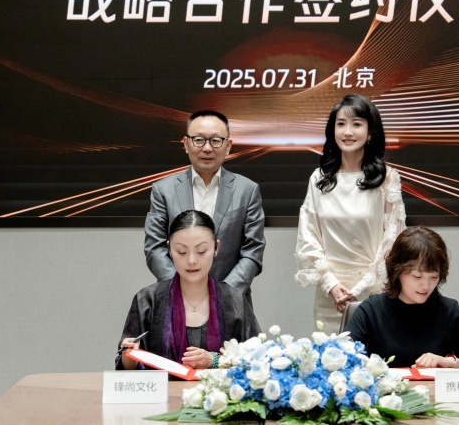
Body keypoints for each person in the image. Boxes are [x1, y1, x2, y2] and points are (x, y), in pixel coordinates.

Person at [295, 94, 406, 333]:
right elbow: (308, 235)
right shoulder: (319, 179)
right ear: (332, 130)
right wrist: (331, 284)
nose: (348, 132)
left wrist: (361, 288)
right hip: (330, 295)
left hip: (373, 291)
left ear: (370, 132)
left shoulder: (386, 178)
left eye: (356, 124)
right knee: (328, 354)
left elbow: (393, 239)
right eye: (341, 124)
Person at [117, 210, 261, 370]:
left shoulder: (234, 300)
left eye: (201, 251)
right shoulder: (148, 299)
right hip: (163, 387)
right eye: (182, 252)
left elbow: (258, 360)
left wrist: (215, 360)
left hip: (217, 388)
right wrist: (129, 355)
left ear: (216, 248)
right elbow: (127, 369)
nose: (191, 260)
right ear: (169, 249)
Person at [144, 110, 265, 300]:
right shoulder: (163, 190)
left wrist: (224, 294)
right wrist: (181, 290)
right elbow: (155, 248)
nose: (207, 148)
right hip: (176, 300)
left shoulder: (247, 190)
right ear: (186, 144)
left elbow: (253, 251)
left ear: (228, 146)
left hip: (231, 301)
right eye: (199, 140)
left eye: (216, 141)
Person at [345, 226, 459, 370]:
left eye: (433, 277)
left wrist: (451, 363)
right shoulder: (371, 309)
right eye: (417, 276)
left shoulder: (449, 310)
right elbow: (343, 359)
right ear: (397, 271)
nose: (426, 285)